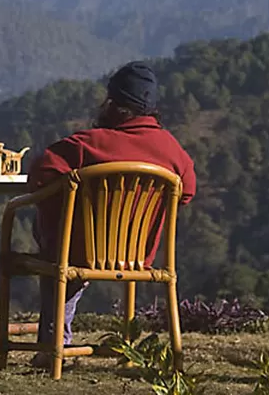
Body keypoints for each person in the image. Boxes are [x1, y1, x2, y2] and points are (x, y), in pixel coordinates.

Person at [26, 61, 197, 362]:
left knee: (54, 234)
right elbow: (187, 191)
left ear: (115, 105)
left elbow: (39, 175)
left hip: (78, 252)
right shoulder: (173, 151)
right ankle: (126, 349)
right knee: (60, 238)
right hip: (137, 255)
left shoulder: (87, 144)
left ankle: (52, 347)